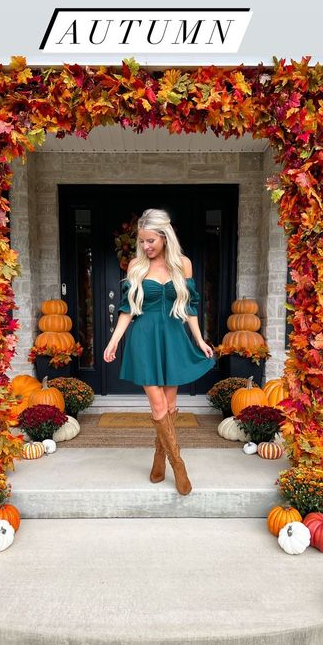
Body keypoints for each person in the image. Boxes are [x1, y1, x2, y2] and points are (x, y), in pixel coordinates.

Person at [103, 208, 216, 496]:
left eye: (150, 240)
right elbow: (127, 310)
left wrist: (200, 340)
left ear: (165, 237)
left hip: (174, 338)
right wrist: (114, 341)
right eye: (142, 241)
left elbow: (190, 308)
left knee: (169, 405)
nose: (145, 247)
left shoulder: (183, 264)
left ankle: (158, 458)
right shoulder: (136, 268)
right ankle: (179, 465)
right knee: (158, 407)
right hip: (144, 339)